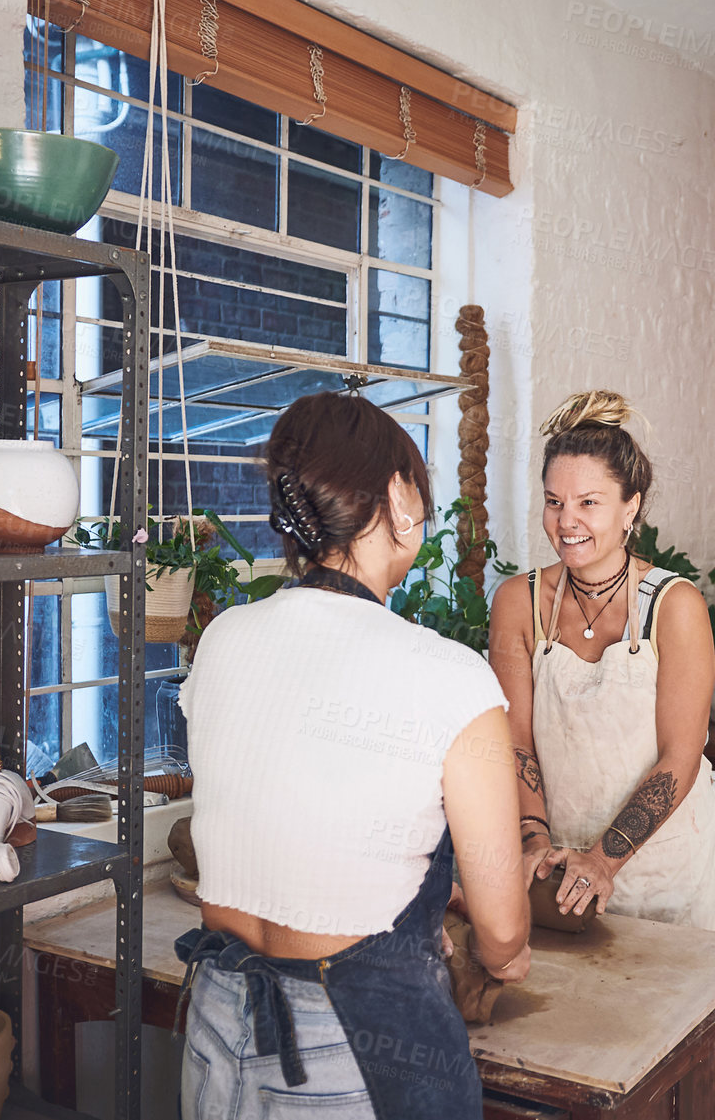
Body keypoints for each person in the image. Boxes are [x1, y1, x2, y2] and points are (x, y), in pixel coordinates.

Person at [176, 392, 531, 1120]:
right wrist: (502, 954)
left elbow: (293, 809)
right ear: (400, 497)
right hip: (358, 1051)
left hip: (216, 1024)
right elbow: (502, 928)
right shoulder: (451, 676)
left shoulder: (224, 640)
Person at [487, 390, 715, 930]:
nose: (566, 521)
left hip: (664, 869)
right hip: (558, 869)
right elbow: (516, 741)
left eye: (588, 502)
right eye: (554, 501)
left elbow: (680, 757)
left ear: (630, 507)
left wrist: (603, 860)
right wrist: (535, 842)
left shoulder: (674, 605)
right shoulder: (517, 603)